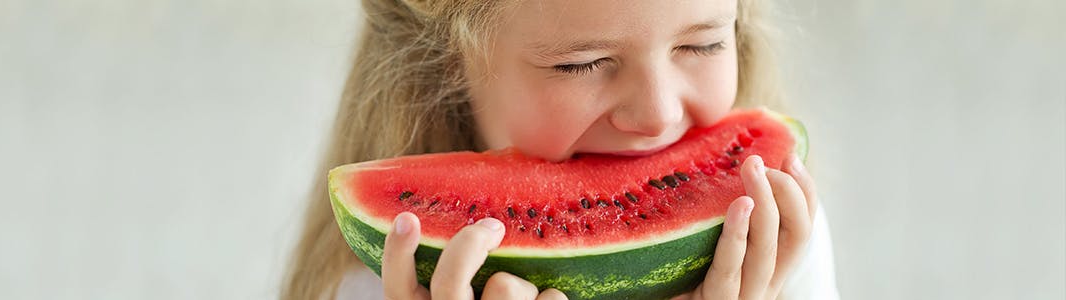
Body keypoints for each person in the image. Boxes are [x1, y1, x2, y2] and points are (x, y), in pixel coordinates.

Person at [283, 0, 840, 298]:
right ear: (447, 69)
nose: (658, 114)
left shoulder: (775, 242)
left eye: (703, 43)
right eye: (581, 65)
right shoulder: (374, 286)